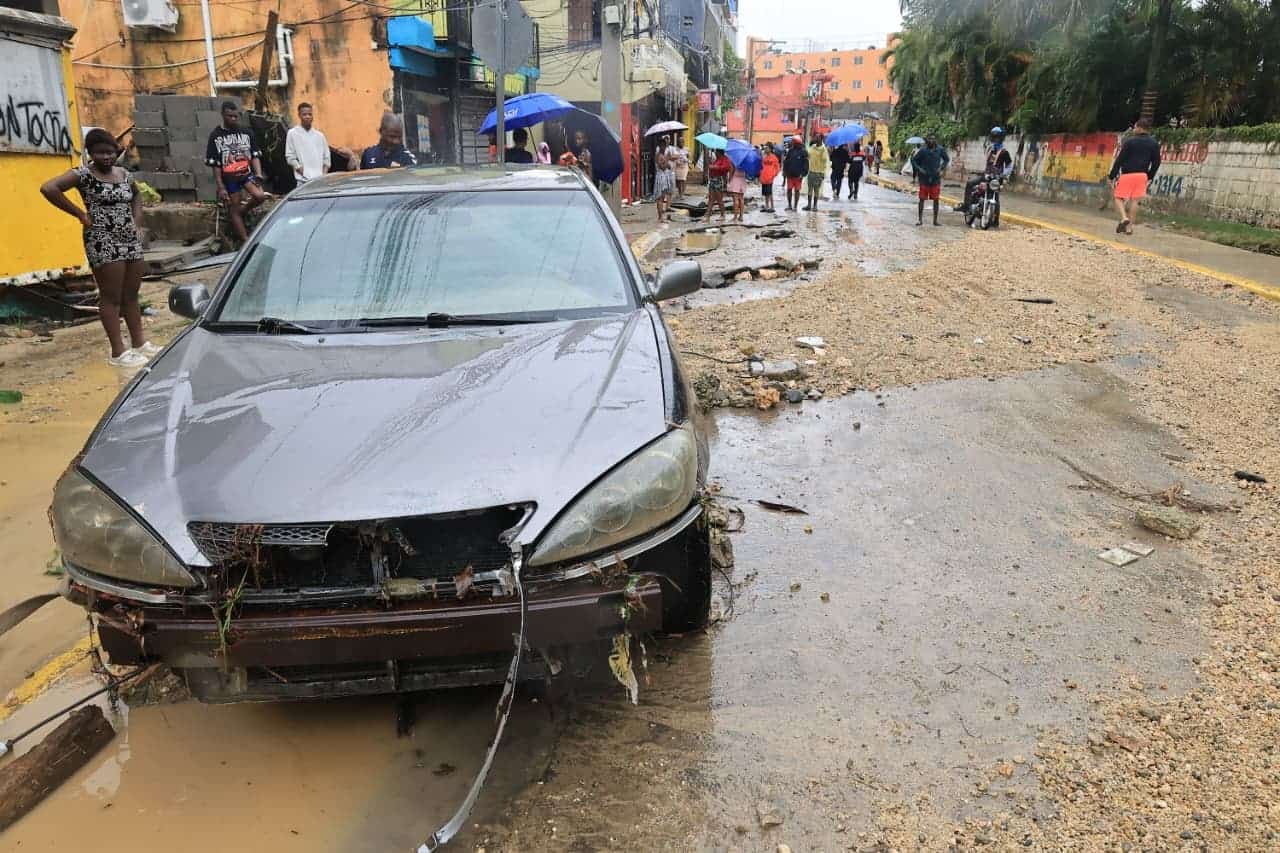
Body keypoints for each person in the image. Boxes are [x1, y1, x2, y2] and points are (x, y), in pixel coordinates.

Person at [41, 128, 154, 367]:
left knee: (131, 293)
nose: (106, 157)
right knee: (111, 296)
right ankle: (118, 352)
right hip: (102, 239)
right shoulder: (82, 175)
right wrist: (80, 214)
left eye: (110, 152)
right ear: (90, 152)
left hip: (128, 238)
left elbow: (136, 196)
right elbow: (49, 188)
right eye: (100, 152)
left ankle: (139, 343)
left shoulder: (124, 173)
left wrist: (136, 222)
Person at [205, 100, 265, 244]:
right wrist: (221, 187)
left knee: (260, 196)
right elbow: (216, 164)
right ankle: (245, 240)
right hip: (229, 179)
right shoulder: (216, 135)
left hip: (246, 174)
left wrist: (258, 174)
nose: (233, 118)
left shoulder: (246, 132)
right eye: (229, 116)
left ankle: (241, 212)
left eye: (235, 116)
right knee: (234, 207)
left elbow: (255, 155)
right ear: (223, 115)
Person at [1109, 118, 1161, 235]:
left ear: (1140, 128)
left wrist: (1112, 175)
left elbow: (1120, 160)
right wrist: (1150, 175)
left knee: (1118, 197)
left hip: (1128, 174)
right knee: (1135, 201)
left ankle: (1124, 218)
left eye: (1135, 127)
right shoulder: (1154, 143)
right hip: (1142, 175)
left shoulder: (1130, 142)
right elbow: (1156, 162)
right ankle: (1129, 228)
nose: (1133, 129)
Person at [958, 126, 1014, 211]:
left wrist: (1004, 174)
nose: (995, 139)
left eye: (997, 137)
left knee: (996, 198)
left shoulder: (1004, 152)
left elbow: (1009, 165)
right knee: (969, 183)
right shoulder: (990, 149)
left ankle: (995, 220)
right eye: (993, 137)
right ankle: (966, 206)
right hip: (986, 176)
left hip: (996, 178)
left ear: (1001, 138)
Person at [284, 102, 330, 186]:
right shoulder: (292, 133)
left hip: (320, 181)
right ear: (299, 115)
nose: (307, 116)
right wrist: (303, 172)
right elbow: (290, 157)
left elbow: (327, 158)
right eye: (304, 114)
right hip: (303, 182)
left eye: (310, 114)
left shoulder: (320, 136)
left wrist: (323, 174)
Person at [910, 133, 950, 226]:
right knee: (922, 199)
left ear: (936, 140)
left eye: (933, 139)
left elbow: (946, 159)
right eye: (929, 139)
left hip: (935, 178)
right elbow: (914, 160)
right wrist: (919, 169)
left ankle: (935, 221)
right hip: (924, 179)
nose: (931, 141)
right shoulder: (923, 150)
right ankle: (920, 220)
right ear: (927, 141)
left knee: (936, 200)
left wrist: (941, 168)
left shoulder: (940, 150)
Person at [782, 134, 809, 212]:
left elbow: (806, 164)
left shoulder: (804, 152)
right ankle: (789, 205)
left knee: (797, 191)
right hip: (790, 175)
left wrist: (803, 174)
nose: (792, 143)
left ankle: (795, 206)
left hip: (798, 176)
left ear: (797, 143)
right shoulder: (790, 151)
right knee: (789, 189)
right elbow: (786, 162)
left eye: (794, 142)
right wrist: (784, 171)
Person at [653, 135, 676, 222]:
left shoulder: (663, 155)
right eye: (663, 145)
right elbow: (662, 167)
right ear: (660, 146)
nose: (664, 147)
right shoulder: (658, 155)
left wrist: (667, 160)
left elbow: (669, 166)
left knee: (662, 197)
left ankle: (661, 216)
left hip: (665, 177)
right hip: (660, 177)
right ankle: (660, 217)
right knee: (659, 198)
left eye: (665, 145)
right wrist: (667, 159)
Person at [707, 148, 734, 221]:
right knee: (711, 199)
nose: (715, 153)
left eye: (716, 152)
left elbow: (726, 168)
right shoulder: (716, 159)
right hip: (713, 180)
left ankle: (723, 215)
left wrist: (715, 167)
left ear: (720, 152)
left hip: (719, 180)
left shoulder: (725, 159)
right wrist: (711, 164)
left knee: (719, 199)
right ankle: (707, 216)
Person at [804, 133, 829, 211]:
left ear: (821, 139)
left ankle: (815, 206)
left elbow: (825, 162)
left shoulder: (823, 149)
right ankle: (808, 205)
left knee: (816, 190)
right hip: (811, 171)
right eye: (815, 137)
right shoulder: (813, 147)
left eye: (817, 137)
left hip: (819, 173)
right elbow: (808, 154)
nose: (815, 138)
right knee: (809, 189)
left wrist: (822, 173)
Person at [759, 143, 781, 213]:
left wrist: (773, 175)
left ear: (771, 149)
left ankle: (772, 207)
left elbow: (777, 167)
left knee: (770, 192)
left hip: (770, 178)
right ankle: (766, 206)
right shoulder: (764, 157)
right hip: (763, 177)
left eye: (767, 148)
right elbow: (761, 166)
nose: (765, 149)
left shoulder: (774, 157)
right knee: (765, 193)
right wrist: (760, 175)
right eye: (765, 148)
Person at [726, 150, 747, 223]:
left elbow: (731, 172)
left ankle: (735, 217)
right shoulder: (745, 160)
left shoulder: (733, 160)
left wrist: (729, 181)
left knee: (735, 199)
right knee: (741, 199)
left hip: (735, 179)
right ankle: (741, 216)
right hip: (742, 179)